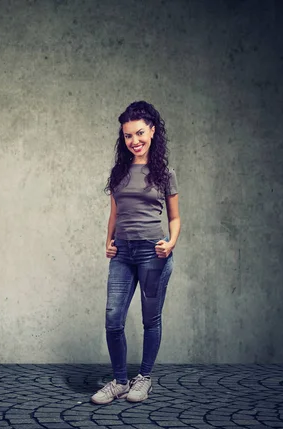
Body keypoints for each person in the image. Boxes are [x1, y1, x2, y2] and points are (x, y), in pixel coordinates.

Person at [90, 101, 181, 404]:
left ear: (153, 131)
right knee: (113, 319)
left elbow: (175, 218)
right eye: (128, 136)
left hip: (153, 255)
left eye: (140, 133)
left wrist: (171, 243)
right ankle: (119, 381)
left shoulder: (164, 174)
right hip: (123, 254)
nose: (135, 141)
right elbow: (114, 214)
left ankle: (143, 378)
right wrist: (108, 241)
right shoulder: (119, 172)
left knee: (149, 319)